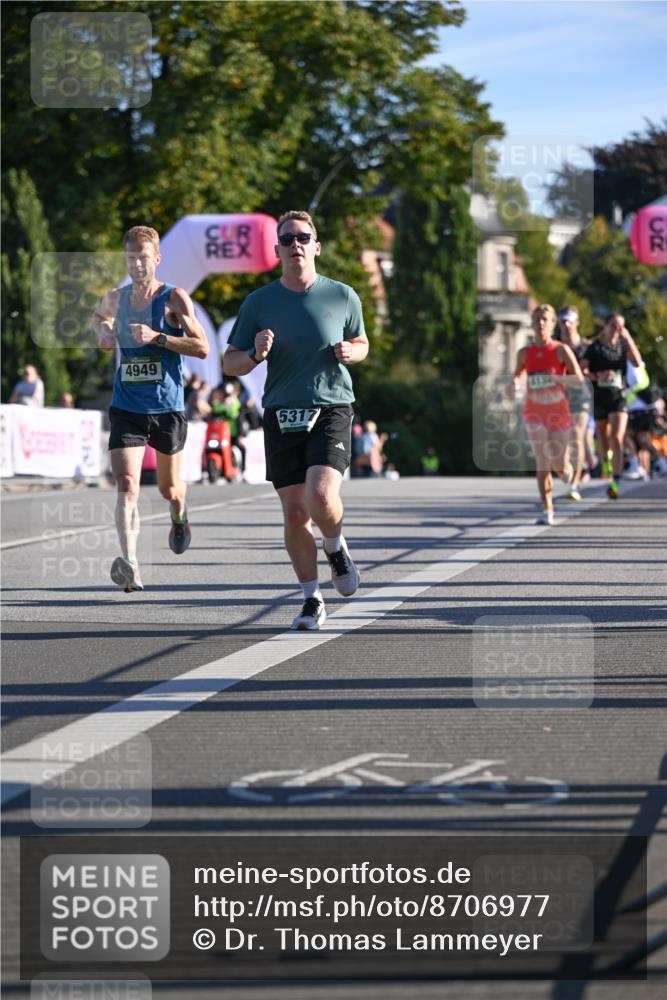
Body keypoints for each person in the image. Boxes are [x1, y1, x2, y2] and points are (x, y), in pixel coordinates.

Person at [223, 209, 369, 630]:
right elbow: (230, 362)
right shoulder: (259, 302)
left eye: (303, 237)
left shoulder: (342, 295)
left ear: (316, 246)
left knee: (321, 495)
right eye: (286, 240)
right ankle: (311, 598)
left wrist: (351, 352)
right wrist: (253, 354)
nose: (295, 244)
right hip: (281, 411)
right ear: (277, 251)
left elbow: (362, 343)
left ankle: (336, 547)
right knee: (293, 513)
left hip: (331, 407)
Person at [92, 225, 209, 592]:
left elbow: (202, 347)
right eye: (130, 258)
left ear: (156, 258)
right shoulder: (116, 297)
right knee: (126, 484)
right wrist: (104, 334)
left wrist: (158, 337)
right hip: (126, 404)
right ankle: (131, 563)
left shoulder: (174, 298)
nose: (137, 264)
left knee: (168, 488)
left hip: (166, 406)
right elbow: (98, 318)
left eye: (143, 257)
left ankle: (179, 514)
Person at [508, 304, 584, 526]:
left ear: (552, 324)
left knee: (559, 464)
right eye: (537, 319)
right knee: (542, 460)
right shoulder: (524, 353)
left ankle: (566, 471)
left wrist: (558, 380)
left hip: (558, 412)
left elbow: (578, 379)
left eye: (545, 319)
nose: (541, 323)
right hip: (534, 412)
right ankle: (547, 508)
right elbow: (517, 376)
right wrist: (514, 384)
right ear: (531, 324)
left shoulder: (561, 350)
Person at [581, 312, 642, 499]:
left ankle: (615, 482)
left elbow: (637, 363)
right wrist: (598, 376)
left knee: (617, 437)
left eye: (620, 326)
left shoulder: (623, 346)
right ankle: (606, 459)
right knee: (604, 438)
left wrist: (628, 338)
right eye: (613, 325)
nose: (617, 329)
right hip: (599, 397)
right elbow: (582, 369)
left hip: (618, 397)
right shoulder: (595, 348)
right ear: (605, 327)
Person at [557, 306, 592, 501]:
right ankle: (568, 472)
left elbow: (592, 374)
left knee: (577, 436)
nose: (567, 324)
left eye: (570, 320)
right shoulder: (555, 347)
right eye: (563, 320)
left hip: (581, 396)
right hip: (559, 398)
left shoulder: (587, 347)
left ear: (577, 322)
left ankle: (574, 484)